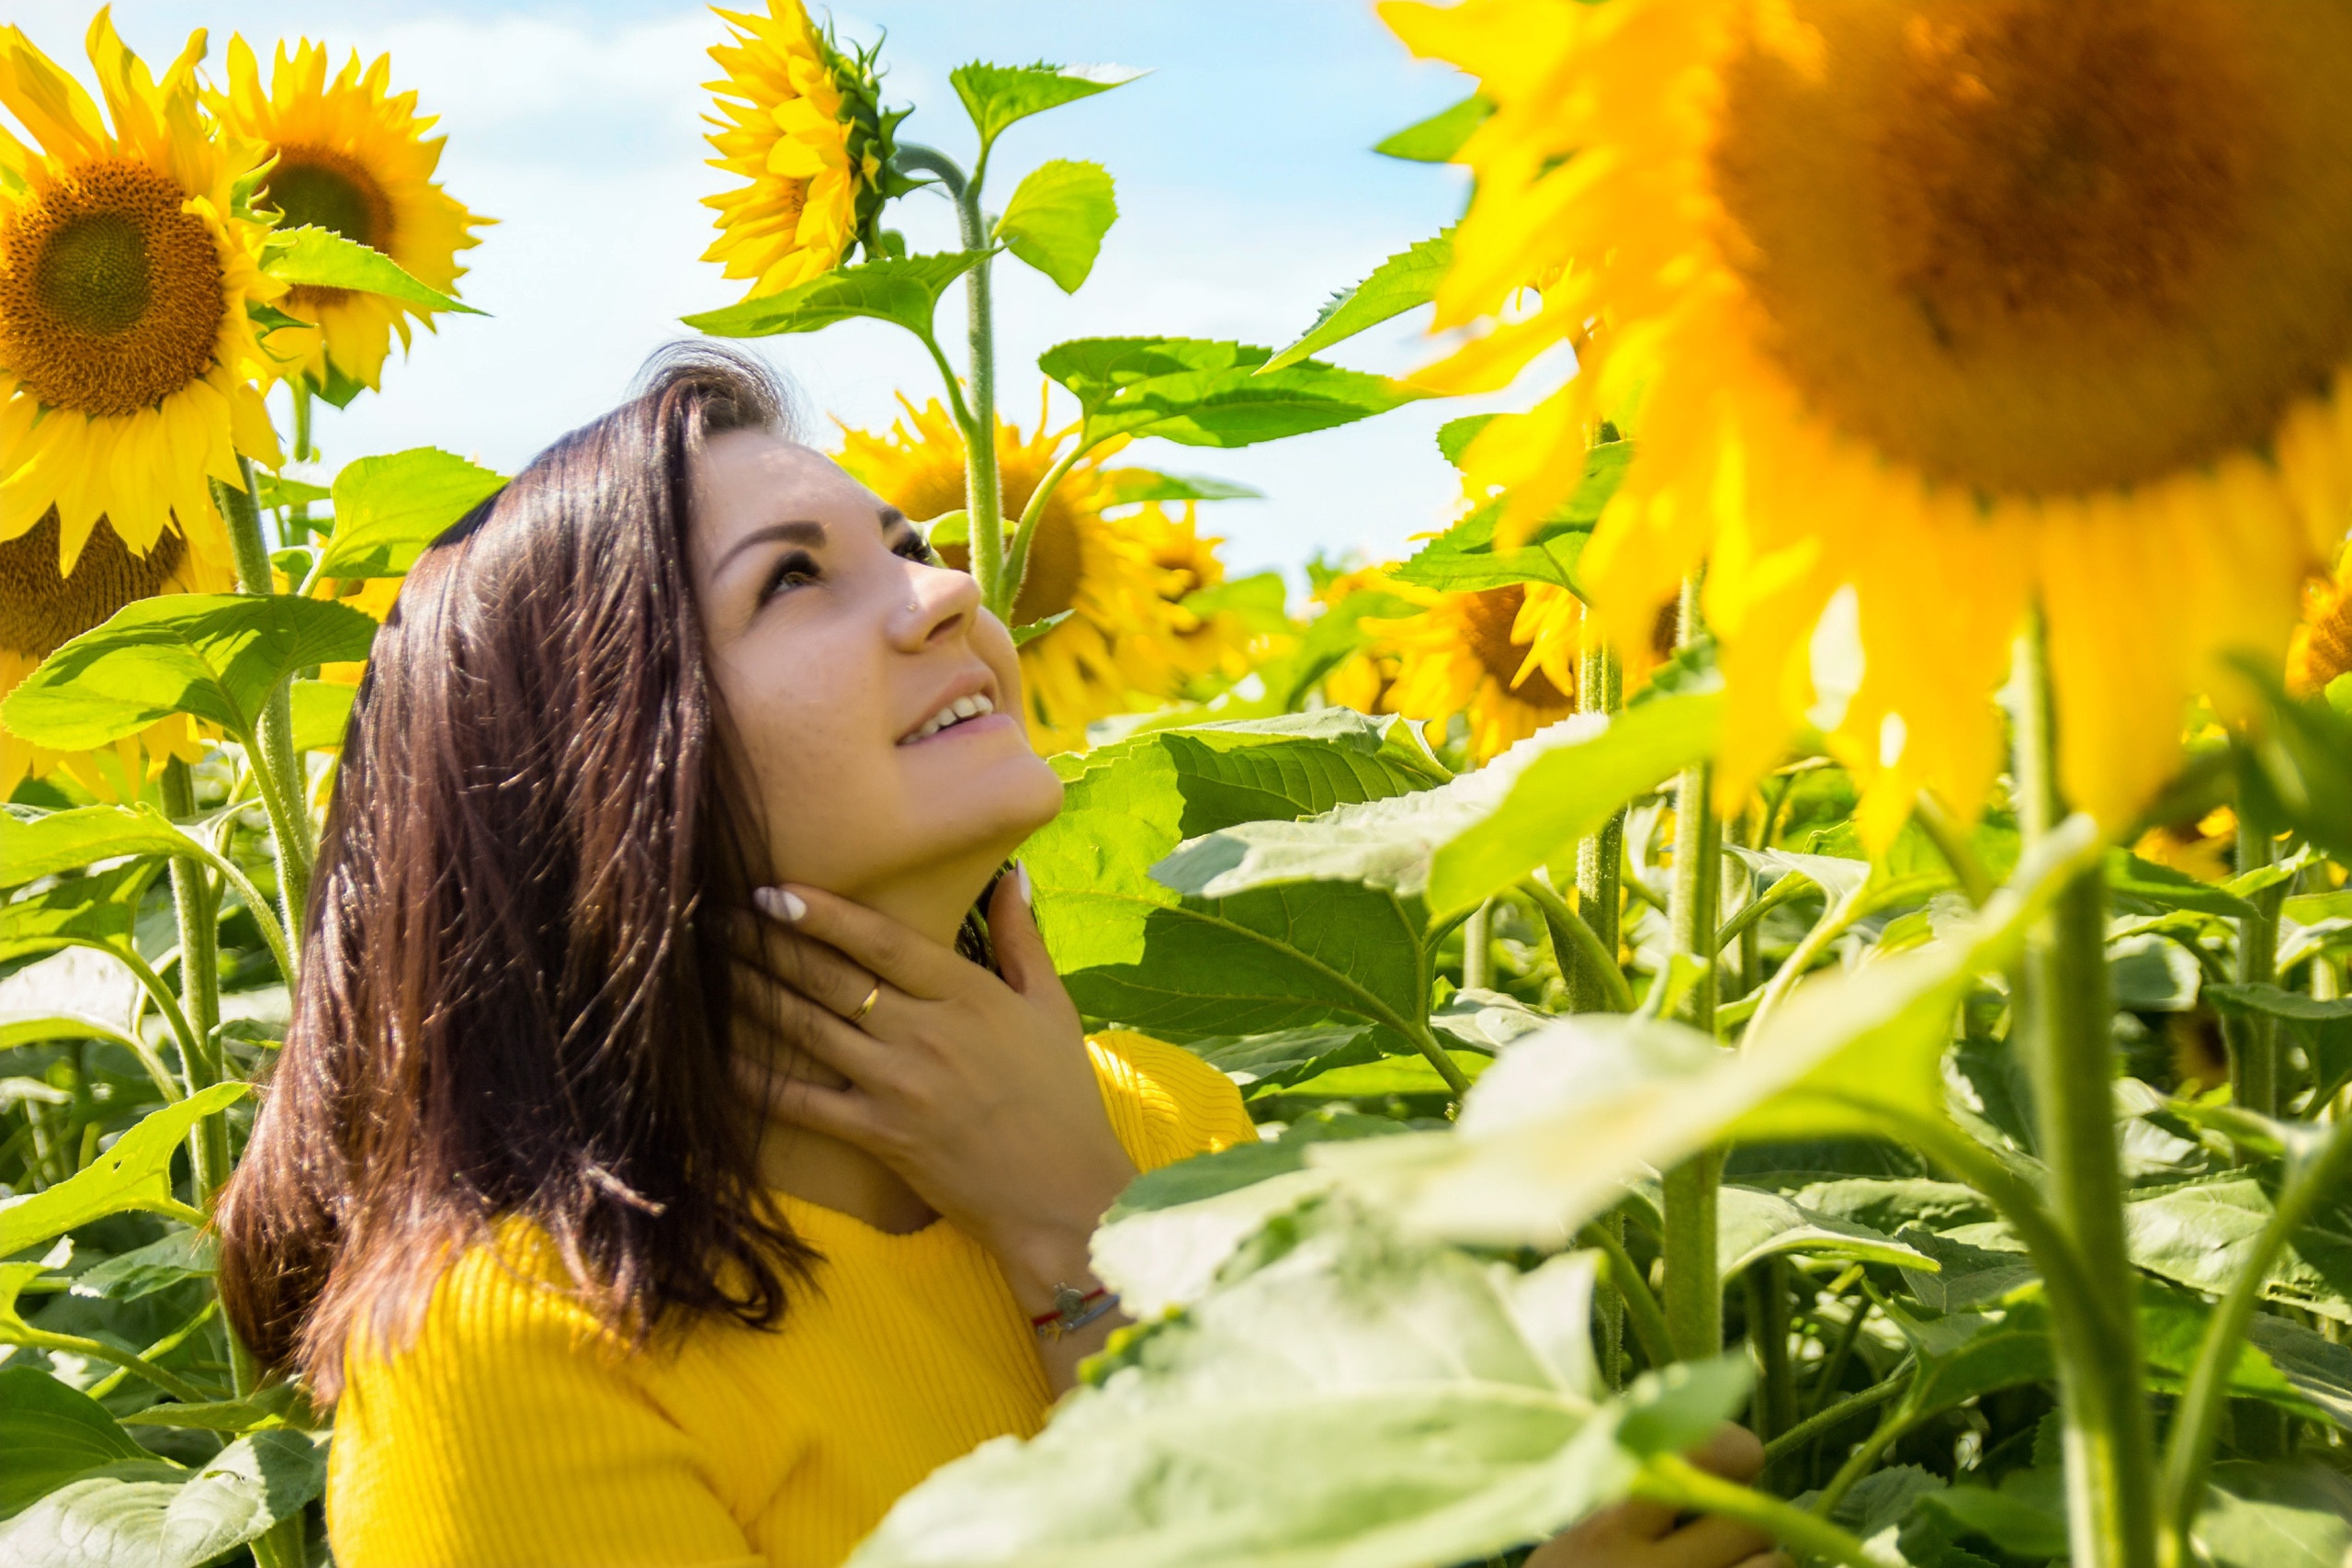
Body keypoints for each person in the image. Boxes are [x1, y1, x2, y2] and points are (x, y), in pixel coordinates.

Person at [214, 346, 1787, 1568]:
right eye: (796, 579)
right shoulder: (520, 1352)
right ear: (609, 766)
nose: (953, 591)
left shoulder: (1164, 1122)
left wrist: (1091, 1213)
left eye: (905, 544)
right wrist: (1088, 1253)